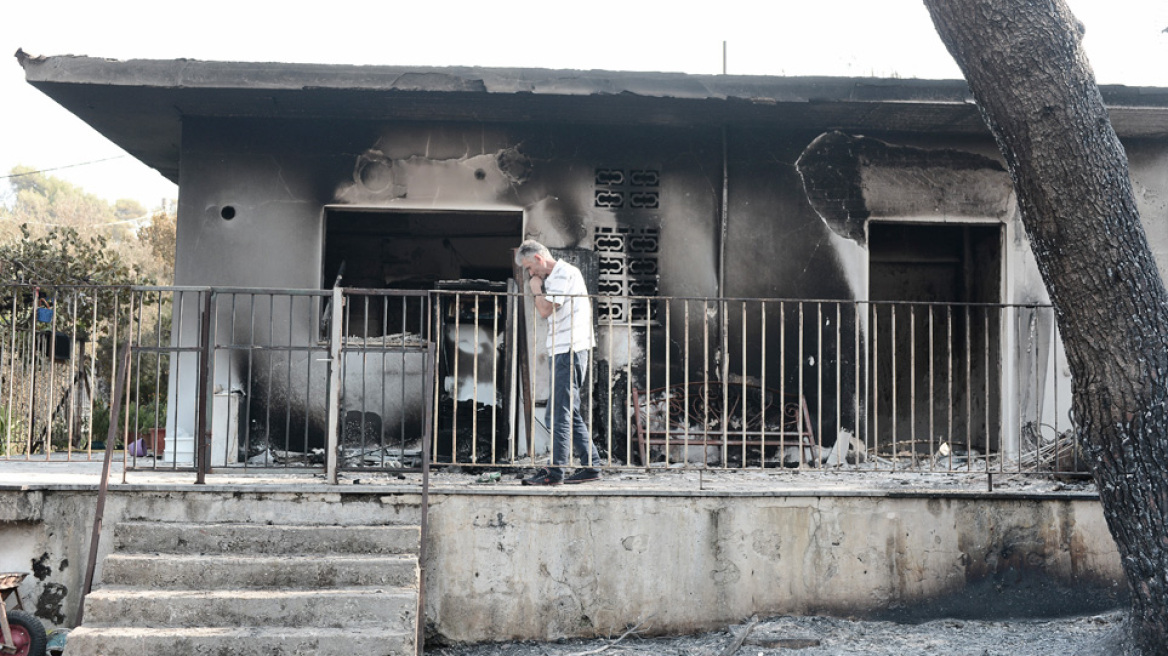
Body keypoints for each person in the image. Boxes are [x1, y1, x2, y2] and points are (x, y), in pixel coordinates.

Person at [515, 240, 602, 485]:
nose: (531, 273)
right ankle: (592, 466)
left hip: (570, 350)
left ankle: (555, 473)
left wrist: (535, 288)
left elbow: (544, 310)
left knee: (559, 413)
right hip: (563, 350)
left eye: (530, 268)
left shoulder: (564, 273)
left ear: (539, 259)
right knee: (566, 411)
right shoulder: (554, 278)